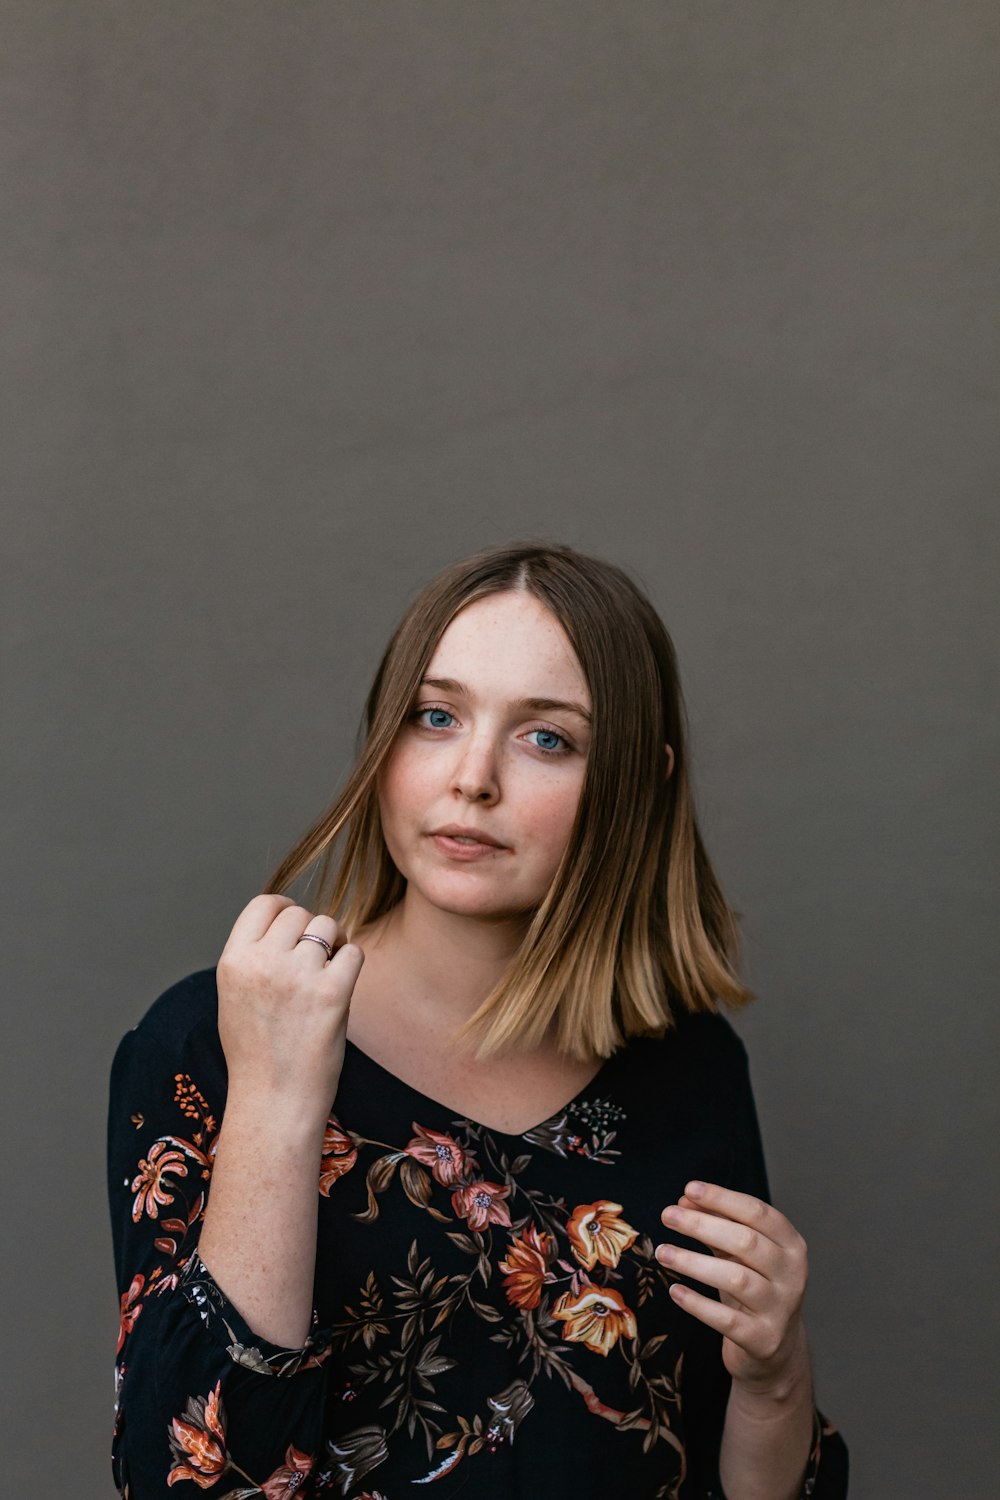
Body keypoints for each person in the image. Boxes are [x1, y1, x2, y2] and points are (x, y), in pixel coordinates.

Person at [108, 541, 849, 1499]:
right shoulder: (209, 1040)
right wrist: (277, 1097)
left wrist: (778, 1381)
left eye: (548, 738)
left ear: (640, 779)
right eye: (436, 716)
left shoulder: (692, 1070)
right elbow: (187, 1479)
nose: (473, 777)